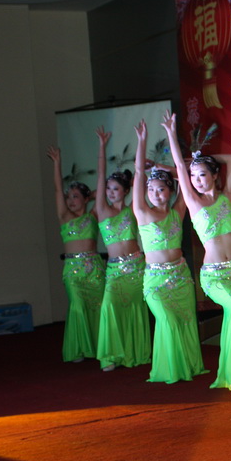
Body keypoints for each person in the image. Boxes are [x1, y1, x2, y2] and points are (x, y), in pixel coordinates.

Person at [162, 113, 231, 394]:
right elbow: (180, 171)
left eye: (202, 174)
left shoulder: (228, 195)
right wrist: (173, 137)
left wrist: (204, 157)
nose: (196, 180)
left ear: (214, 175)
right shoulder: (193, 202)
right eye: (193, 176)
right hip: (214, 276)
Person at [133, 120, 208, 384]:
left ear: (171, 191)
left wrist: (167, 147)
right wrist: (142, 142)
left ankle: (188, 366)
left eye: (161, 189)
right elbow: (138, 174)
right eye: (151, 190)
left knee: (185, 320)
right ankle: (170, 369)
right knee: (168, 320)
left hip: (180, 277)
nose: (155, 193)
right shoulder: (142, 212)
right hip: (155, 280)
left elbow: (184, 175)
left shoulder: (178, 210)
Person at [93, 127, 150, 372]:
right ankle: (110, 355)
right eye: (108, 189)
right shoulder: (102, 210)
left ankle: (134, 352)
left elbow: (139, 174)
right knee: (109, 306)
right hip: (114, 270)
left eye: (115, 189)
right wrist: (102, 146)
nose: (110, 192)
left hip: (136, 267)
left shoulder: (133, 209)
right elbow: (100, 175)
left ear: (126, 191)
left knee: (135, 308)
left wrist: (141, 140)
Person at [47, 146, 104, 362]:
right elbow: (57, 189)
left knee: (97, 306)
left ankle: (99, 347)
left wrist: (91, 195)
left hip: (94, 268)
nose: (71, 200)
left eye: (76, 196)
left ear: (86, 199)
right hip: (73, 270)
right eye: (69, 196)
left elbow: (102, 189)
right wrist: (57, 163)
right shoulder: (65, 216)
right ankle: (80, 348)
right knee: (78, 306)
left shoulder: (93, 215)